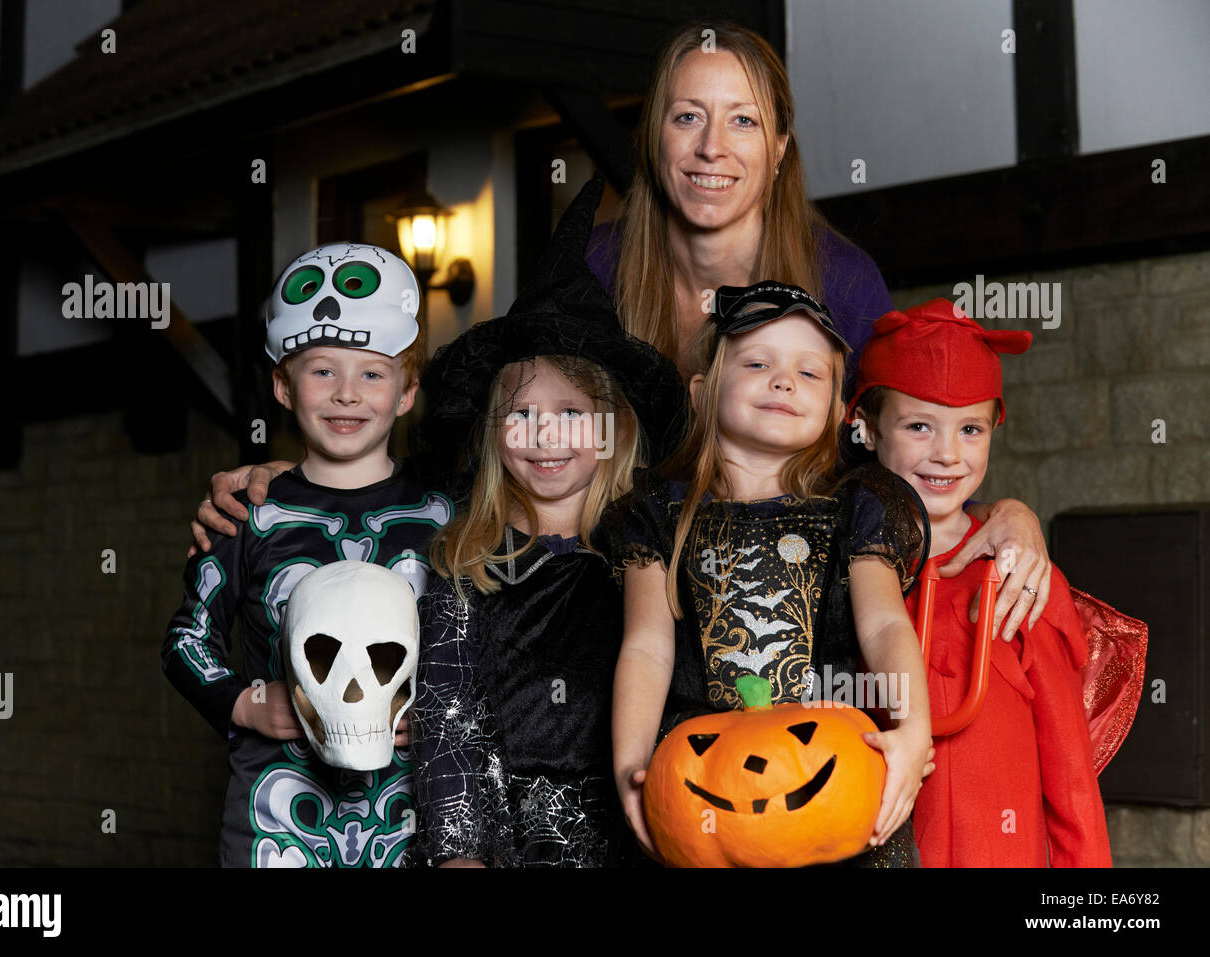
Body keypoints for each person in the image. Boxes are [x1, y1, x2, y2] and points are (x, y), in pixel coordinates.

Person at [188, 21, 1053, 648]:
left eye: (743, 120)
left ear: (781, 146)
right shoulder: (593, 268)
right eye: (687, 117)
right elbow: (495, 442)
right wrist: (322, 477)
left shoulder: (844, 279)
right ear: (653, 138)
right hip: (601, 612)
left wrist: (1009, 514)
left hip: (788, 622)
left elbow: (907, 445)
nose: (712, 146)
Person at [599, 280, 934, 866]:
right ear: (703, 392)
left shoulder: (858, 507)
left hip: (829, 779)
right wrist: (631, 762)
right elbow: (647, 647)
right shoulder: (656, 514)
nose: (784, 381)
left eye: (810, 374)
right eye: (758, 363)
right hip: (707, 783)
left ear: (836, 410)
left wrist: (914, 730)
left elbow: (884, 626)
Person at [412, 176, 688, 867]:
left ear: (612, 429)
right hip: (507, 844)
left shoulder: (648, 553)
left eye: (572, 414)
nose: (546, 437)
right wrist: (460, 856)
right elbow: (452, 723)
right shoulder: (465, 561)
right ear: (492, 431)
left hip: (637, 837)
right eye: (523, 414)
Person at [161, 244, 452, 867]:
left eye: (373, 374)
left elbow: (491, 650)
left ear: (407, 392)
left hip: (414, 819)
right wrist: (244, 702)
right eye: (322, 371)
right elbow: (187, 641)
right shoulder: (248, 513)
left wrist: (446, 717)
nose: (347, 394)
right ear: (282, 387)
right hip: (274, 826)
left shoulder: (447, 515)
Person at [847, 300, 1111, 866]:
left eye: (971, 428)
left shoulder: (1022, 579)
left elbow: (1071, 777)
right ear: (866, 428)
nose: (947, 454)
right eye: (919, 426)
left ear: (995, 428)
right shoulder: (839, 572)